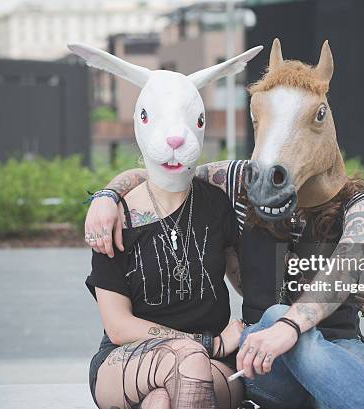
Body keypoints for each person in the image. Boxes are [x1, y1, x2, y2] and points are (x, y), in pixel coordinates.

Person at [83, 38, 364, 409]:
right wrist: (107, 196)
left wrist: (288, 326)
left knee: (304, 344)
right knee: (279, 323)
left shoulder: (362, 203)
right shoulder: (239, 181)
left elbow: (343, 272)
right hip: (262, 359)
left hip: (339, 350)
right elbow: (169, 171)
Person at [67, 42, 264, 409]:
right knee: (184, 363)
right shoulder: (117, 218)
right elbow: (118, 326)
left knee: (161, 401)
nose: (176, 140)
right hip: (128, 359)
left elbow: (247, 283)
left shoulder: (216, 202)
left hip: (211, 367)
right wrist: (208, 343)